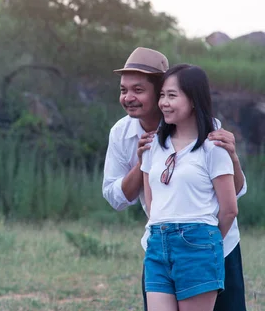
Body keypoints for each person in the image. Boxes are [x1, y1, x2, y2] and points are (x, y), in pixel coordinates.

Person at [102, 47, 247, 311]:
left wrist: (234, 159)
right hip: (160, 243)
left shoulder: (208, 131)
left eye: (138, 90)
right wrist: (142, 160)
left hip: (214, 244)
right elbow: (115, 197)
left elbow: (232, 196)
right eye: (124, 90)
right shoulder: (123, 134)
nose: (128, 98)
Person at [141, 63, 238, 310]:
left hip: (197, 244)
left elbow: (229, 210)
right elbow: (151, 199)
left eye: (172, 95)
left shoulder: (213, 146)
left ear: (193, 100)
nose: (163, 102)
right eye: (162, 95)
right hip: (157, 242)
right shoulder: (155, 145)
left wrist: (204, 242)